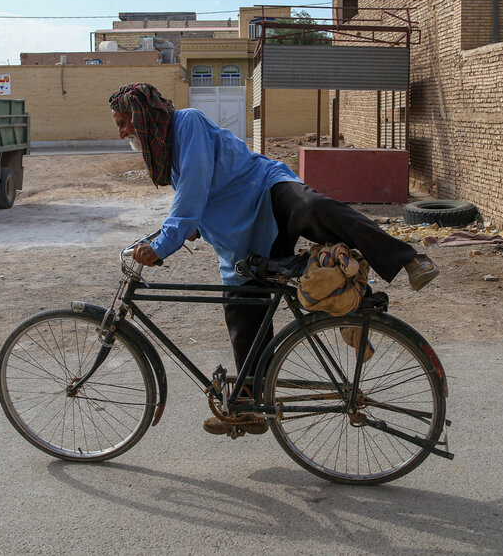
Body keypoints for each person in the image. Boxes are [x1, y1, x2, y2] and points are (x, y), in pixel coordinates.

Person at [109, 83, 439, 435]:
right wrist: (189, 229)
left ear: (143, 116)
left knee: (314, 207)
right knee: (242, 312)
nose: (121, 132)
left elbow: (191, 195)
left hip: (266, 192)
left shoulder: (186, 123)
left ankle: (407, 259)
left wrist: (162, 244)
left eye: (124, 122)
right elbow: (199, 200)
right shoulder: (167, 153)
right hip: (241, 240)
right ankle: (251, 404)